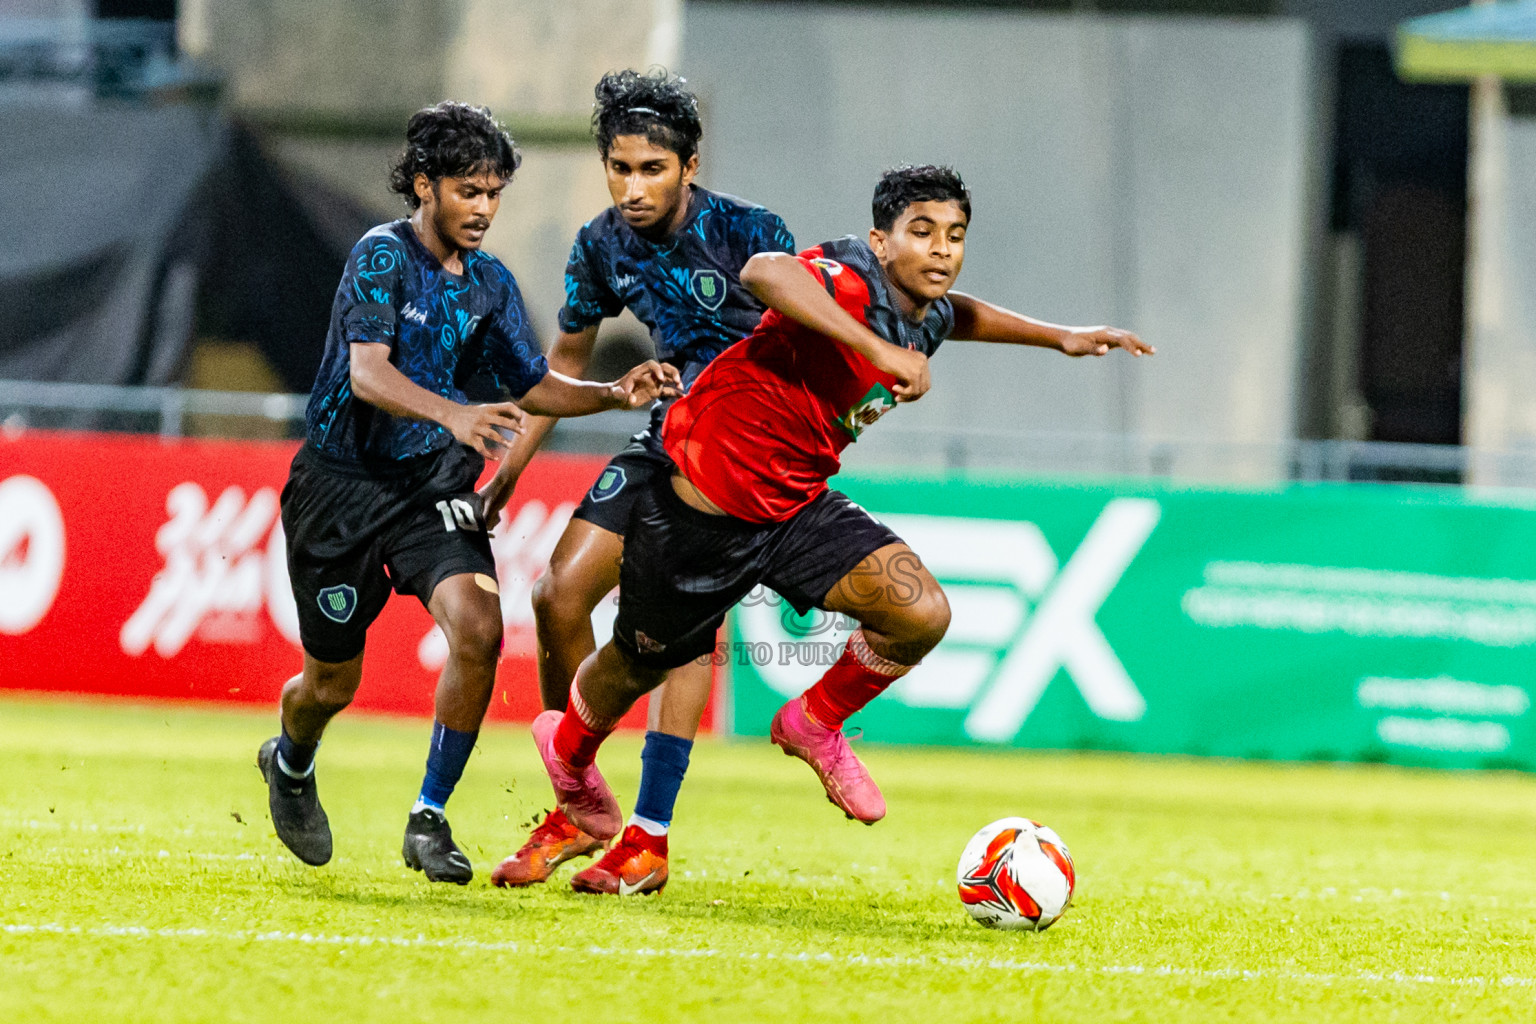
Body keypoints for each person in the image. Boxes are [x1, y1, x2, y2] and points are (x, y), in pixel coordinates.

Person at [527, 165, 1153, 857]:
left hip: (795, 505)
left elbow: (960, 315)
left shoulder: (927, 311)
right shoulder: (847, 276)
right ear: (881, 242)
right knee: (637, 666)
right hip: (706, 497)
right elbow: (766, 272)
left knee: (921, 613)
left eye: (954, 236)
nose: (940, 250)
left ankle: (814, 724)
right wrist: (874, 348)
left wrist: (1057, 335)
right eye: (921, 233)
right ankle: (571, 756)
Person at [255, 101, 677, 885]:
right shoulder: (382, 257)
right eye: (467, 192)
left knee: (479, 625)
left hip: (428, 489)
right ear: (424, 186)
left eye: (494, 193)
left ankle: (429, 817)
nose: (483, 209)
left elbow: (533, 386)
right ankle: (291, 758)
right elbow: (367, 373)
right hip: (338, 490)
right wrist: (456, 412)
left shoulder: (489, 284)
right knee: (329, 683)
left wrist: (616, 393)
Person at [481, 69, 795, 896]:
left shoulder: (752, 235)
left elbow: (810, 339)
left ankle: (649, 839)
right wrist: (509, 469)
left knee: (684, 627)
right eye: (619, 168)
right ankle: (578, 796)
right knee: (556, 594)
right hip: (664, 436)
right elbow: (567, 364)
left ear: (689, 167)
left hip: (741, 456)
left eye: (651, 169)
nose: (632, 187)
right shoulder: (600, 244)